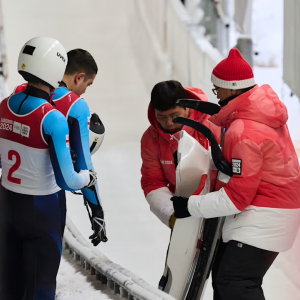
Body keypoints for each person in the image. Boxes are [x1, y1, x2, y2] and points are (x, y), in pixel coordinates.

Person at [171, 48, 300, 300]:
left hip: (266, 216)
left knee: (234, 282)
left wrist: (190, 205)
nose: (216, 96)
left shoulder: (244, 131)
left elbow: (236, 197)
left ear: (231, 88)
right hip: (275, 212)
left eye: (217, 90)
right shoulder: (256, 116)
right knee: (224, 277)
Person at [0, 37, 96, 299]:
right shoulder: (52, 118)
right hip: (42, 208)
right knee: (41, 285)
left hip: (7, 203)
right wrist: (87, 178)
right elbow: (67, 179)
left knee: (8, 283)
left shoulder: (4, 106)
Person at [14, 49, 107, 246]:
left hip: (11, 194)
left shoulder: (20, 91)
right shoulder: (76, 105)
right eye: (87, 85)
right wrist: (96, 210)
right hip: (47, 199)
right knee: (44, 273)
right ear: (79, 77)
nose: (84, 91)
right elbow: (84, 165)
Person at [140, 80, 221, 228]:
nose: (169, 122)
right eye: (162, 117)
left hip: (219, 205)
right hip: (183, 209)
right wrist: (173, 215)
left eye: (174, 115)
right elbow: (153, 182)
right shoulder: (150, 139)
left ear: (187, 107)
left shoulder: (214, 124)